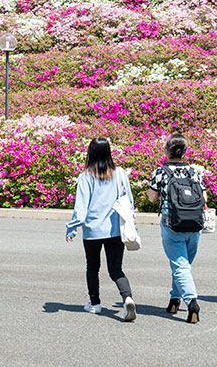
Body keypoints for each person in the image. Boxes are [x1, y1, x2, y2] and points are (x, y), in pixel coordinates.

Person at [66, 137, 136, 322]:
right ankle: (127, 298)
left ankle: (95, 304)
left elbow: (81, 208)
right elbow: (129, 202)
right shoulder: (120, 173)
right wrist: (132, 221)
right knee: (116, 269)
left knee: (93, 267)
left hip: (92, 230)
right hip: (115, 230)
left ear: (91, 153)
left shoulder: (86, 176)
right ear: (109, 152)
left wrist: (72, 229)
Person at [147, 133, 206, 324]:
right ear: (185, 152)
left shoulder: (161, 172)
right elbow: (203, 199)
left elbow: (152, 198)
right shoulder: (194, 171)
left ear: (167, 151)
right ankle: (174, 299)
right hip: (194, 224)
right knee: (182, 265)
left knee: (180, 264)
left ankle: (192, 302)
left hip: (171, 223)